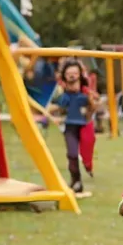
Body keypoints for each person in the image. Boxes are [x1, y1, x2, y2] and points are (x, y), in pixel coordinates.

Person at [45, 58, 98, 193]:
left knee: (87, 149)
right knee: (72, 154)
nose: (72, 76)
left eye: (74, 73)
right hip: (70, 127)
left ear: (80, 74)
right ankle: (76, 181)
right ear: (64, 76)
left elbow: (94, 107)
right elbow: (53, 107)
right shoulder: (63, 95)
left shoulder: (86, 93)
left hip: (84, 126)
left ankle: (87, 166)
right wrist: (55, 117)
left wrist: (90, 110)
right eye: (69, 74)